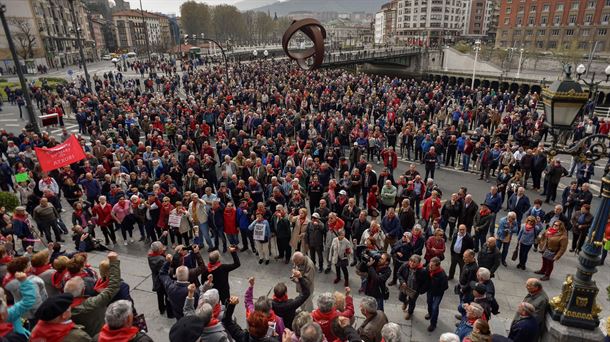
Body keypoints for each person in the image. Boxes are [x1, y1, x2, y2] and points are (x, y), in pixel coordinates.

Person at [0, 271, 36, 340]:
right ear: (5, 298)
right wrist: (24, 282)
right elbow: (28, 301)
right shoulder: (9, 313)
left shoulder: (10, 313)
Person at [397, 254, 428, 320]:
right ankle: (405, 302)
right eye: (411, 261)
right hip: (405, 287)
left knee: (412, 302)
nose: (412, 263)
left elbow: (425, 282)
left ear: (418, 263)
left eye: (414, 262)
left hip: (414, 290)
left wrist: (420, 291)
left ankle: (410, 312)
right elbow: (399, 273)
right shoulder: (405, 265)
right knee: (401, 298)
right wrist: (402, 282)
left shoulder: (422, 271)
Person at [426, 257, 448, 332]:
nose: (430, 267)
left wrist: (437, 290)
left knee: (435, 307)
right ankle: (430, 313)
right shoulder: (429, 268)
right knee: (429, 302)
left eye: (432, 266)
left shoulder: (442, 275)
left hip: (437, 293)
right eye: (430, 265)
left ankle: (433, 324)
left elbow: (445, 287)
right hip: (430, 291)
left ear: (437, 266)